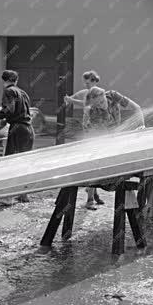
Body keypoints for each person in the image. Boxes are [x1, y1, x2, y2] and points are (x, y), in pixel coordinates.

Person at [0, 70, 35, 203]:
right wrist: (1, 109)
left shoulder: (9, 91)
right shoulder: (22, 93)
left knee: (10, 162)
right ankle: (24, 194)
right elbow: (19, 108)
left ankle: (7, 198)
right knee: (23, 162)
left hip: (17, 129)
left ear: (3, 80)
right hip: (28, 129)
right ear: (16, 80)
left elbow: (10, 110)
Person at [64, 70, 108, 209]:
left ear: (94, 81)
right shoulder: (89, 96)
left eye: (88, 82)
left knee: (98, 163)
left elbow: (85, 103)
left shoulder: (99, 95)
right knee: (93, 164)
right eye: (85, 82)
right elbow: (83, 101)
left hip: (97, 133)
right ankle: (90, 199)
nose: (86, 84)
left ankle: (94, 195)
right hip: (90, 133)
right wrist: (70, 99)